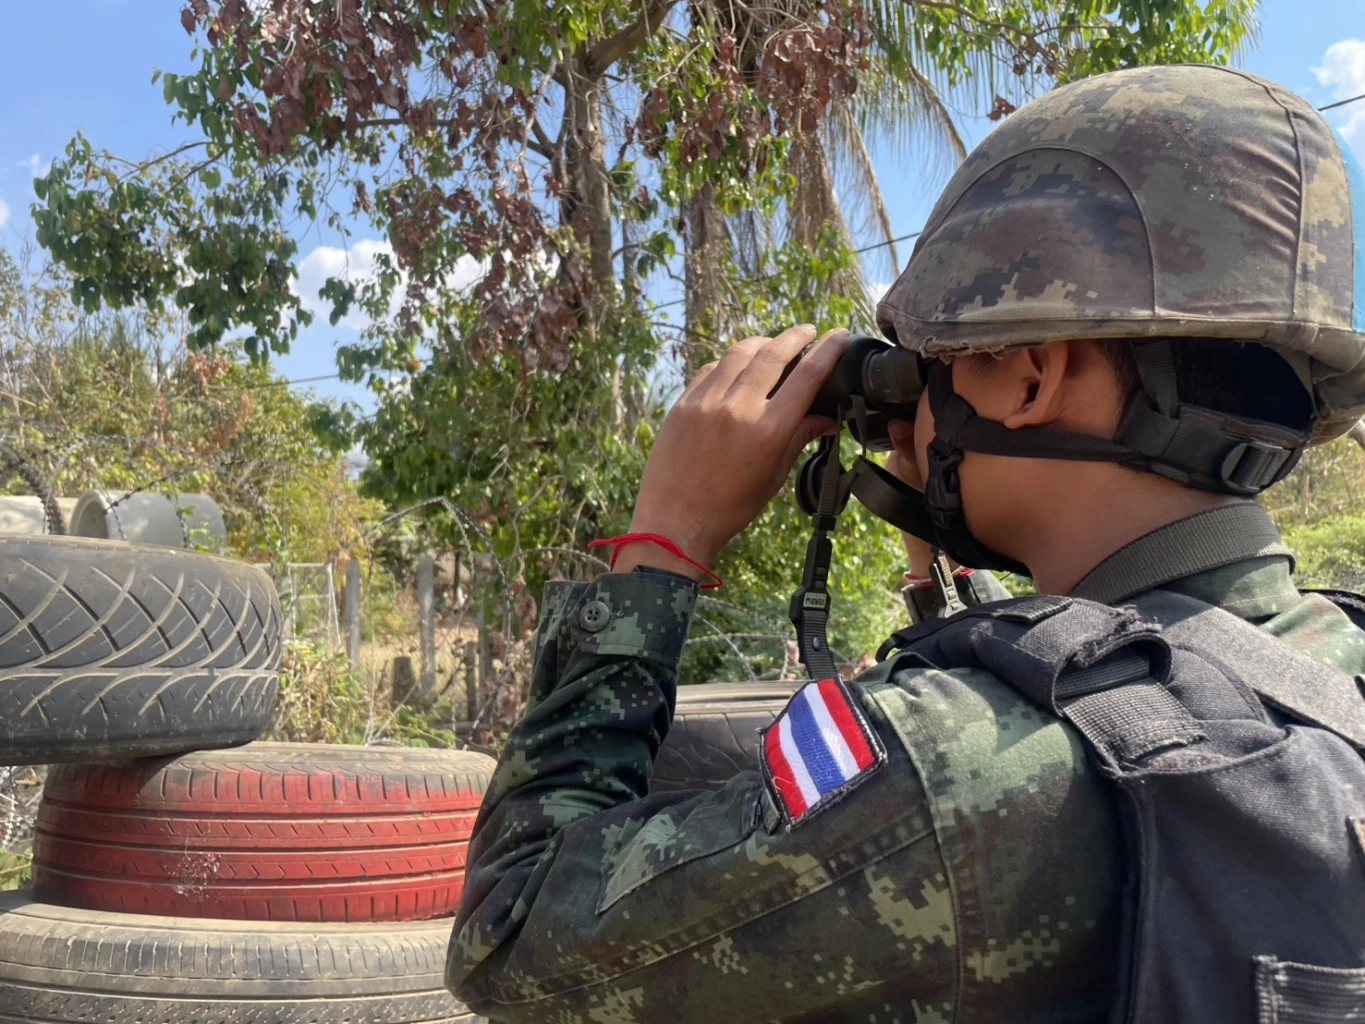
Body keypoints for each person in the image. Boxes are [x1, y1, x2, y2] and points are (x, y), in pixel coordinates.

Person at [447, 63, 1365, 1022]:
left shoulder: (950, 768)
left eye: (926, 372)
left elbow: (512, 939)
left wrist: (664, 540)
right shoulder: (1332, 664)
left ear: (1026, 379)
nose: (905, 422)